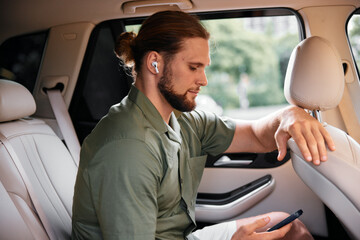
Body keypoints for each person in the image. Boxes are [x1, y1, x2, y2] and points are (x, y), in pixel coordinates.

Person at [71, 10, 335, 240]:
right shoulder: (127, 148)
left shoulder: (182, 119)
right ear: (155, 62)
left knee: (291, 230)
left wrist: (288, 116)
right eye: (194, 67)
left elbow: (256, 135)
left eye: (204, 68)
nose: (204, 80)